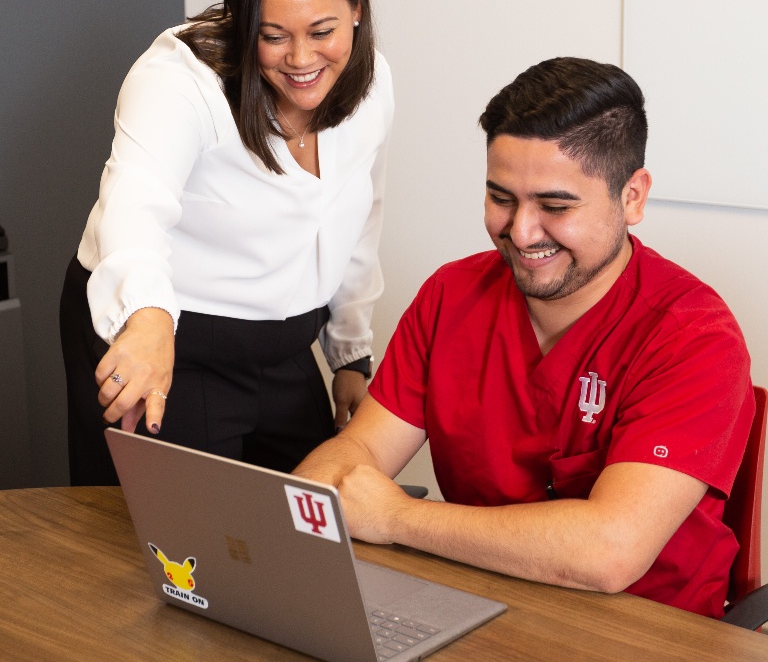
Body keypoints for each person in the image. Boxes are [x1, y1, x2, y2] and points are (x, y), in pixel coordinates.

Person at [294, 57, 755, 618]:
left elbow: (609, 551)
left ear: (632, 197)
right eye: (501, 198)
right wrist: (300, 511)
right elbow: (359, 451)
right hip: (481, 602)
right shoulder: (450, 295)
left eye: (555, 206)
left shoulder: (694, 335)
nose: (520, 232)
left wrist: (394, 518)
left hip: (646, 630)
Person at [61, 0, 394, 485]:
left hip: (282, 344)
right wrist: (145, 318)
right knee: (173, 549)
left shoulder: (370, 82)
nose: (301, 58)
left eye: (322, 30)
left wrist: (350, 355)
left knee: (305, 521)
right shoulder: (179, 82)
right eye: (273, 36)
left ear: (357, 6)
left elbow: (356, 216)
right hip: (169, 336)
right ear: (244, 24)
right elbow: (134, 202)